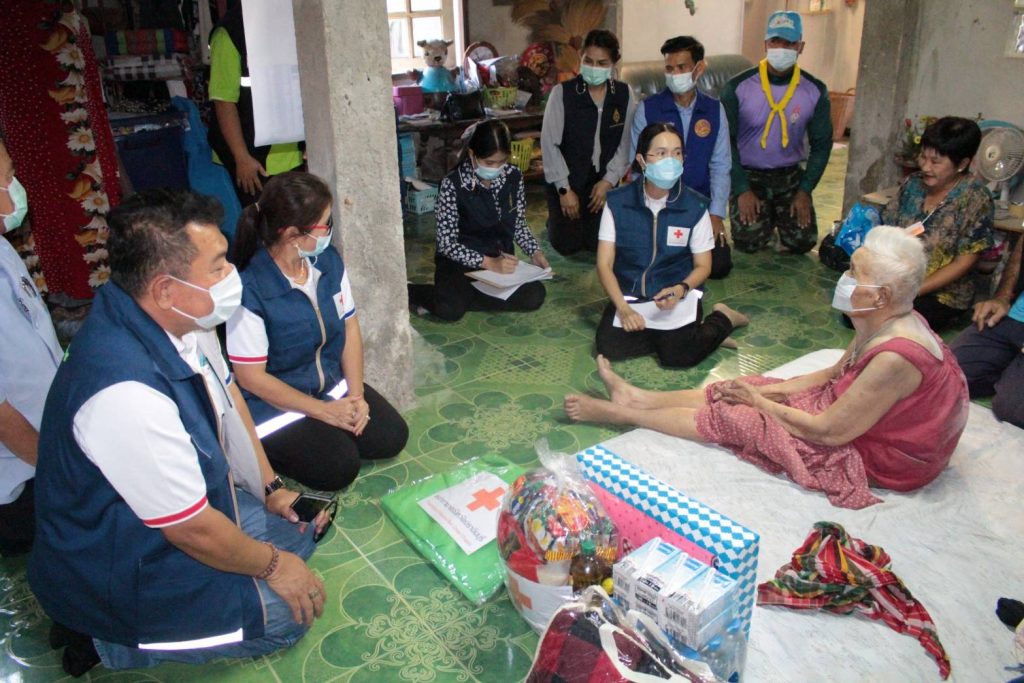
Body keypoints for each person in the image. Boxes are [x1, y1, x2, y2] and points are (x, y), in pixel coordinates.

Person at [30, 189, 328, 676]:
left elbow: (230, 401)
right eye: (217, 267)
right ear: (166, 289)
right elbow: (190, 528)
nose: (231, 276)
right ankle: (103, 639)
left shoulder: (180, 319)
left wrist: (271, 488)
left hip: (160, 518)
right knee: (287, 617)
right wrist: (273, 566)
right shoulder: (125, 392)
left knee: (299, 535)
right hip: (118, 561)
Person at [567, 227, 969, 508]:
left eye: (853, 273)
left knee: (739, 417)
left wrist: (759, 404)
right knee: (746, 385)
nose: (843, 277)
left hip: (881, 458)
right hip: (850, 420)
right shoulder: (880, 318)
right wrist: (765, 391)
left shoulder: (895, 358)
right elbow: (832, 375)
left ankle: (623, 414)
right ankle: (639, 397)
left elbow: (829, 432)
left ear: (880, 295)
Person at [227, 172, 408, 491]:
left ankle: (327, 426)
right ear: (293, 235)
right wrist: (323, 412)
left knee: (392, 437)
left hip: (329, 386)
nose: (330, 230)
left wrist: (356, 395)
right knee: (339, 467)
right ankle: (268, 447)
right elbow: (251, 378)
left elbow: (349, 324)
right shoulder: (250, 289)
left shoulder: (327, 262)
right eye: (325, 224)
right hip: (274, 405)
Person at [595, 123, 748, 368]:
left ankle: (723, 318)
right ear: (642, 160)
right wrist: (623, 309)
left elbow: (703, 266)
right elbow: (604, 264)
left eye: (677, 153)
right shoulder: (617, 203)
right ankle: (687, 338)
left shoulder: (695, 206)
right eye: (661, 153)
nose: (671, 160)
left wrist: (681, 289)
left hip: (676, 298)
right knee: (609, 347)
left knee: (678, 357)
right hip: (632, 297)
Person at [408, 120, 550, 321]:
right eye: (489, 163)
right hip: (459, 263)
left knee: (534, 296)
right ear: (472, 154)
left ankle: (462, 296)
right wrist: (488, 263)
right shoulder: (452, 184)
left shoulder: (513, 177)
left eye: (502, 161)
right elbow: (447, 244)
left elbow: (517, 223)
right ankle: (412, 291)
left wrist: (535, 252)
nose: (497, 168)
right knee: (450, 310)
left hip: (499, 261)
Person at [720, 11, 832, 254]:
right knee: (749, 242)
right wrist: (741, 188)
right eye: (775, 42)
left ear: (800, 46)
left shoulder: (814, 90)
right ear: (765, 44)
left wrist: (805, 190)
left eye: (789, 43)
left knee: (802, 242)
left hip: (789, 176)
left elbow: (822, 144)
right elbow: (725, 141)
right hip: (749, 175)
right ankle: (765, 221)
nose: (781, 48)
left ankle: (776, 218)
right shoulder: (737, 87)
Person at [0, 138, 62, 556]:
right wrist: (60, 471)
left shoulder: (3, 247)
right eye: (8, 177)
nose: (16, 186)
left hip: (48, 448)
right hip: (20, 478)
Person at [630, 36, 732, 278]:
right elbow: (637, 167)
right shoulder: (648, 109)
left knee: (719, 266)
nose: (675, 74)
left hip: (699, 206)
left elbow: (721, 165)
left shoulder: (714, 110)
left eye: (681, 67)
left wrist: (716, 214)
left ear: (699, 68)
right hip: (659, 205)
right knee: (647, 263)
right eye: (669, 68)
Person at [881, 116, 994, 330]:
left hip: (941, 294)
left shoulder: (975, 199)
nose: (925, 166)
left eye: (935, 162)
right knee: (856, 308)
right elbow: (890, 230)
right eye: (923, 157)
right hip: (899, 280)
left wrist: (913, 290)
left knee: (891, 320)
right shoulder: (913, 184)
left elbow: (964, 262)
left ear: (962, 164)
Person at [541, 29, 637, 256]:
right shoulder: (562, 93)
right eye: (588, 61)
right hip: (567, 180)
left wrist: (608, 181)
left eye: (602, 63)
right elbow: (549, 144)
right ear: (581, 57)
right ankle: (554, 217)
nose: (594, 68)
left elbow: (627, 143)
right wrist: (564, 190)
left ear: (614, 63)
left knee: (598, 244)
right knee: (567, 245)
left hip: (601, 184)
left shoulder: (623, 94)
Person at [207, 3, 303, 207]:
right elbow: (224, 102)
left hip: (292, 152)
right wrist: (241, 157)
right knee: (261, 221)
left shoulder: (291, 19)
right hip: (252, 159)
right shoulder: (230, 31)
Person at [951, 232, 1024, 428]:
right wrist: (1003, 296)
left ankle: (1012, 380)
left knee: (1013, 410)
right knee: (945, 377)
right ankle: (1010, 371)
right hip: (1016, 315)